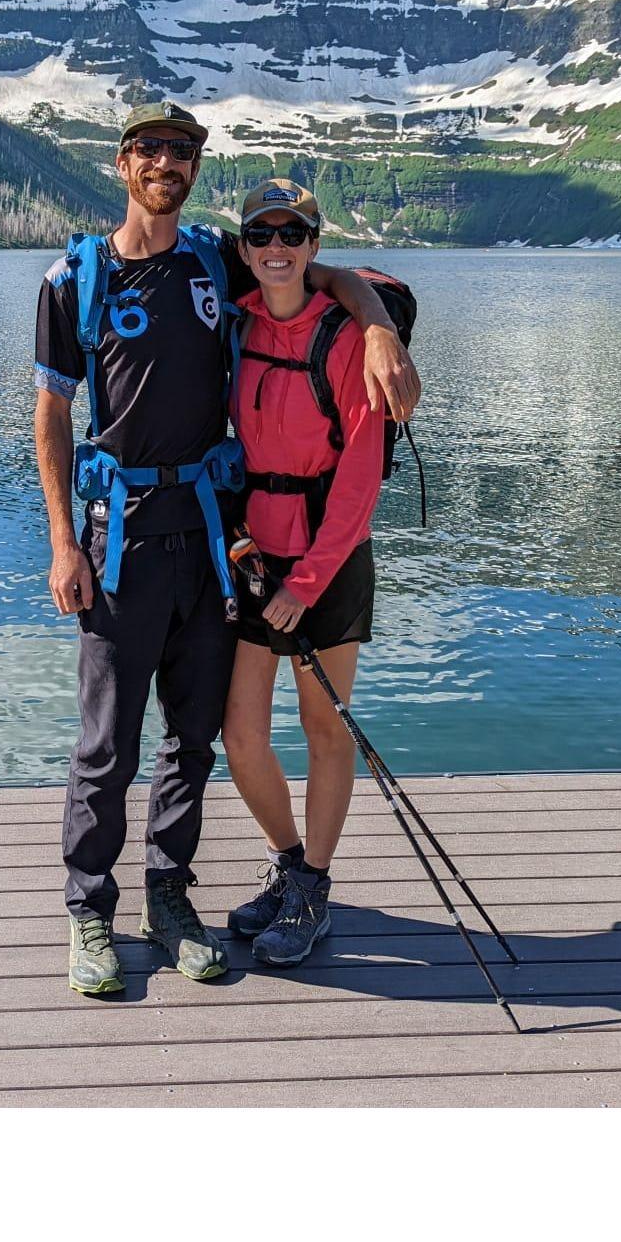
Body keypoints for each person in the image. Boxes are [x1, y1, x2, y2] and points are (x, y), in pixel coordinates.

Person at [33, 105, 419, 997]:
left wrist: (376, 326)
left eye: (183, 151)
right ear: (124, 163)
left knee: (194, 739)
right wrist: (63, 542)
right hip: (120, 539)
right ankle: (89, 911)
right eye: (152, 150)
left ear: (196, 167)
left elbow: (319, 274)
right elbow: (52, 416)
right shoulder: (74, 279)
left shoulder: (217, 259)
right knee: (106, 746)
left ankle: (169, 900)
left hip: (210, 541)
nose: (167, 162)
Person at [220, 177, 384, 967]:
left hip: (328, 559)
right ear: (245, 249)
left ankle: (315, 885)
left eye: (293, 236)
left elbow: (360, 476)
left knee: (324, 728)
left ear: (315, 246)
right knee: (240, 733)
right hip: (255, 556)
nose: (276, 250)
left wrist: (308, 582)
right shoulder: (237, 323)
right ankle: (289, 863)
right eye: (262, 237)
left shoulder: (348, 338)